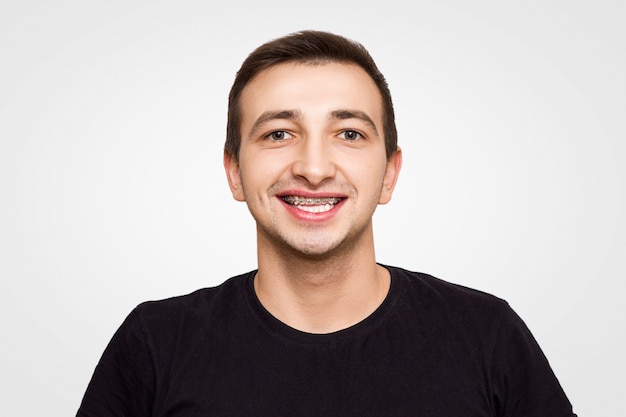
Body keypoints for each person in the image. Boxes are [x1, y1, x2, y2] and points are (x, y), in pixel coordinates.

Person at [77, 30, 576, 416]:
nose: (314, 168)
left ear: (389, 174)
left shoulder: (488, 336)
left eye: (349, 133)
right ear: (234, 172)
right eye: (278, 133)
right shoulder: (155, 343)